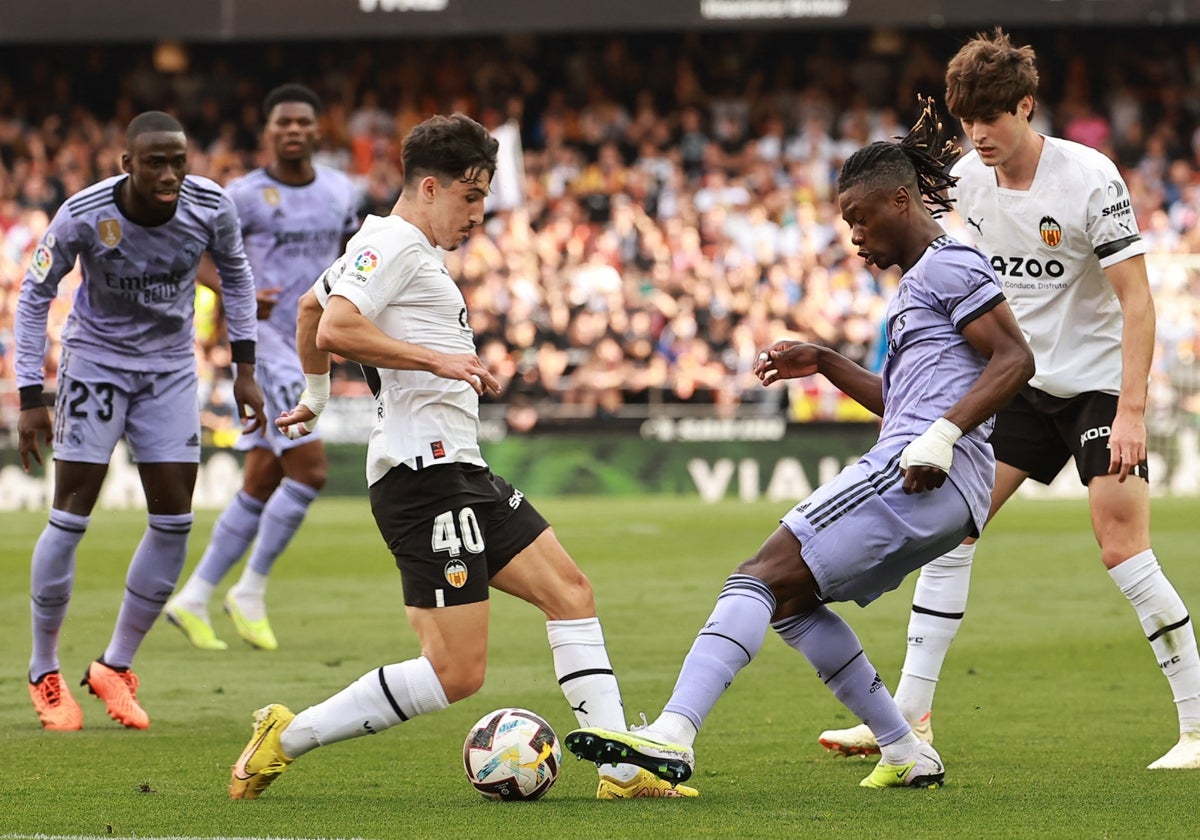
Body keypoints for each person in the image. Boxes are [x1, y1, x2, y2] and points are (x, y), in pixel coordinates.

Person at [563, 100, 1035, 790]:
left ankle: (673, 735)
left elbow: (1015, 360)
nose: (853, 236)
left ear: (900, 201)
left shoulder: (950, 264)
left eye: (859, 218)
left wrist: (940, 436)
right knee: (787, 600)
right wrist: (824, 360)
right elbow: (899, 403)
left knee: (756, 575)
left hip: (923, 472)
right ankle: (905, 750)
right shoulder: (921, 283)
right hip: (933, 479)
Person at [227, 113, 696, 801]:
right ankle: (285, 737)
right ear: (427, 187)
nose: (479, 214)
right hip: (422, 480)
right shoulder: (394, 242)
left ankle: (622, 771)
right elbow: (334, 323)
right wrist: (436, 359)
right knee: (456, 673)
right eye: (470, 198)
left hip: (459, 471)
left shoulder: (390, 246)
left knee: (570, 593)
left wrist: (319, 396)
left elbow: (307, 308)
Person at [817, 29, 1200, 773]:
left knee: (1121, 548)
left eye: (992, 117)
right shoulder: (966, 182)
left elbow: (1139, 304)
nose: (979, 135)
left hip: (1094, 386)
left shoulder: (1090, 179)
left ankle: (1197, 725)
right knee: (950, 529)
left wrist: (1130, 409)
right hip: (1022, 382)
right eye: (967, 120)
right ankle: (911, 718)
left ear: (1026, 105)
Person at [16, 111, 264, 731]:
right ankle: (43, 670)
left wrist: (245, 365)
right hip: (96, 365)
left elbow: (235, 275)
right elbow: (34, 292)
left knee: (175, 520)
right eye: (155, 161)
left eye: (178, 160)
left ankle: (113, 665)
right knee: (71, 515)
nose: (170, 173)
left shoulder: (212, 206)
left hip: (171, 370)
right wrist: (28, 395)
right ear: (126, 163)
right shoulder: (83, 213)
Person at [165, 84, 359, 652]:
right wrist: (234, 289)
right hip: (267, 346)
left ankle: (195, 595)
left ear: (318, 130)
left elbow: (354, 254)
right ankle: (248, 590)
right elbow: (195, 255)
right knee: (312, 470)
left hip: (314, 343)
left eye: (303, 121)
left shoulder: (341, 192)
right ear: (268, 132)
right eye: (283, 122)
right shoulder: (241, 196)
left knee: (265, 476)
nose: (294, 130)